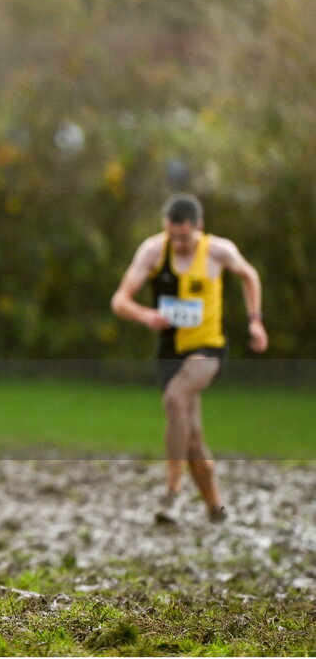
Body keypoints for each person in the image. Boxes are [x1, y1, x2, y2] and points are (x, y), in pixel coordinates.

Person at [111, 193, 268, 524]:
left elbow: (249, 276)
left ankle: (173, 490)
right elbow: (120, 300)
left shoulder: (218, 250)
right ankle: (215, 508)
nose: (178, 243)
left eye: (184, 236)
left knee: (175, 396)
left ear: (198, 226)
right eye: (172, 235)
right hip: (170, 353)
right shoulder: (153, 250)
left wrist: (255, 320)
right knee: (193, 436)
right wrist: (145, 315)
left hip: (208, 348)